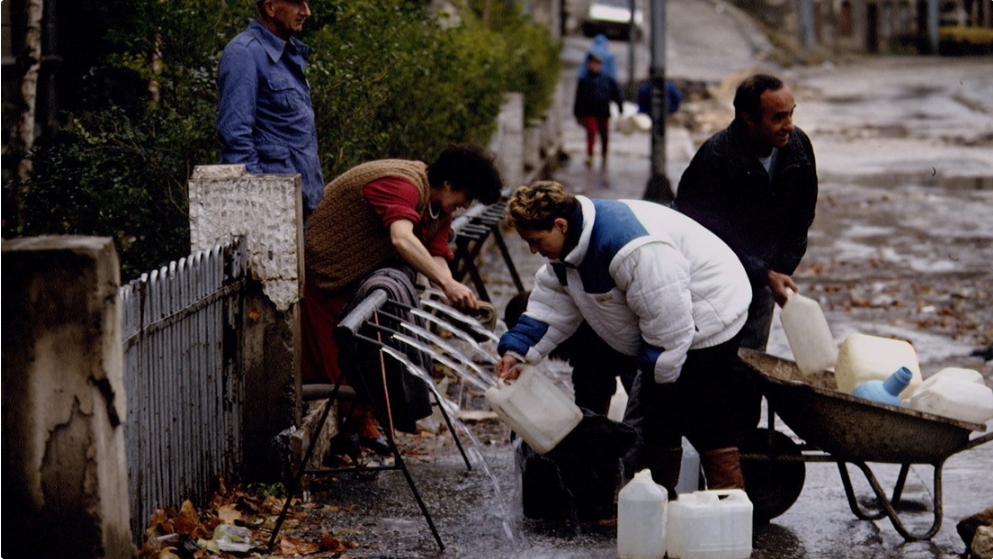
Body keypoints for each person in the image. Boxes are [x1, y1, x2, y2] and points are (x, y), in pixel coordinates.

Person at [496, 181, 753, 497]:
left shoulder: (630, 247)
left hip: (711, 305)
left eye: (535, 241)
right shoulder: (566, 252)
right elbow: (549, 308)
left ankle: (729, 507)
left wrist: (659, 374)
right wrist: (517, 350)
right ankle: (660, 504)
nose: (533, 250)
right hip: (668, 309)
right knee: (659, 414)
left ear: (560, 225)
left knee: (706, 410)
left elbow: (668, 318)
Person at [302, 143, 502, 454]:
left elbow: (436, 252)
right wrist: (447, 285)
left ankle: (362, 425)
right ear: (448, 184)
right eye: (467, 196)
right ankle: (354, 428)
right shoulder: (402, 184)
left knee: (368, 350)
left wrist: (451, 291)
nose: (466, 204)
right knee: (336, 358)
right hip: (327, 270)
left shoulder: (438, 207)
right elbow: (402, 238)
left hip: (359, 274)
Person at [673, 74, 818, 354]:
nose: (788, 126)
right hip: (711, 284)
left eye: (791, 114)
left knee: (750, 367)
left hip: (763, 281)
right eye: (778, 117)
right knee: (708, 364)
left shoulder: (798, 147)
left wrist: (779, 272)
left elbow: (802, 217)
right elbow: (697, 236)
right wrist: (764, 273)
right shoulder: (715, 158)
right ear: (748, 119)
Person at [217, 0, 324, 216]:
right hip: (272, 210)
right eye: (297, 3)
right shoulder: (243, 53)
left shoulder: (289, 53)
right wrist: (261, 202)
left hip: (301, 203)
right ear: (271, 8)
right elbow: (234, 137)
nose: (306, 12)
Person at [574, 52, 624, 167]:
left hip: (603, 110)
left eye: (597, 64)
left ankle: (604, 155)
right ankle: (590, 155)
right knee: (591, 132)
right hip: (589, 110)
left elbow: (615, 93)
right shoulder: (584, 80)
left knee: (604, 134)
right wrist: (577, 113)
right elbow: (579, 97)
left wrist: (620, 106)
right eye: (592, 64)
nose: (594, 66)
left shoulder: (606, 79)